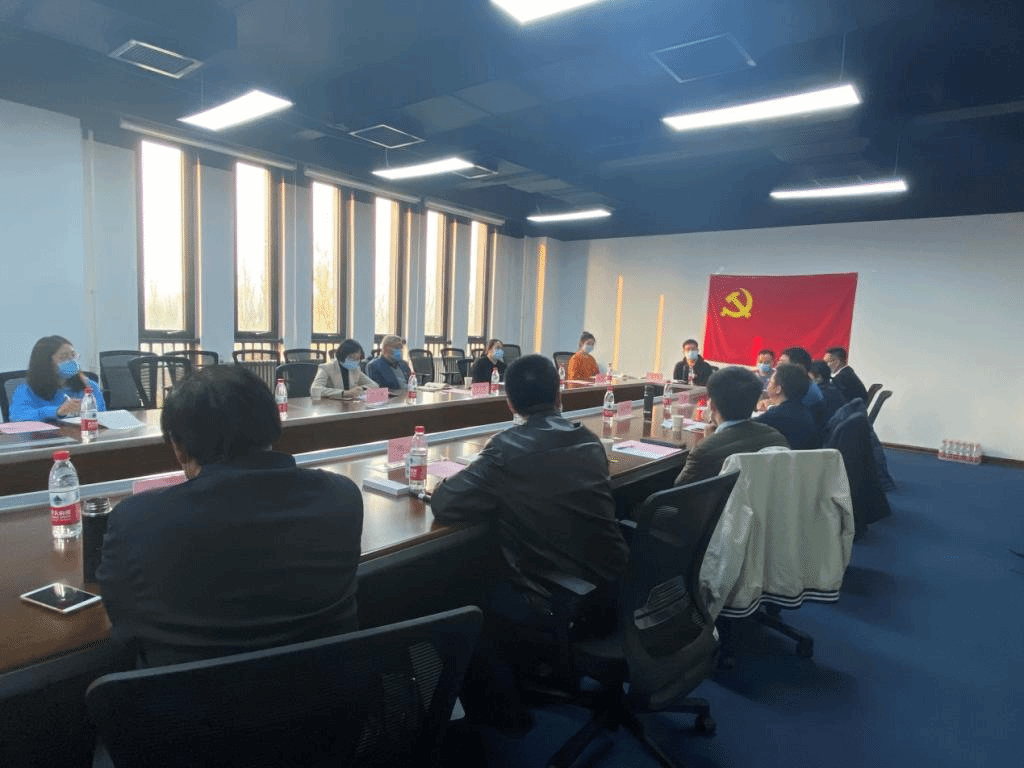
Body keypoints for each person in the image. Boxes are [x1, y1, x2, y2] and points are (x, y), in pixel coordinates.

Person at [97, 365, 363, 667]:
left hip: (188, 696)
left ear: (178, 447)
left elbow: (124, 624)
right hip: (329, 688)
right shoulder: (343, 497)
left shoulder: (136, 521)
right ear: (274, 424)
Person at [431, 354, 628, 728]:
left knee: (455, 587)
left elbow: (446, 502)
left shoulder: (506, 448)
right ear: (559, 397)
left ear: (509, 403)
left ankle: (505, 709)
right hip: (613, 586)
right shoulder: (589, 441)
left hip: (560, 600)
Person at [675, 367, 789, 485]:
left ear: (712, 405)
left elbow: (679, 487)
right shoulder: (777, 439)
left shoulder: (704, 451)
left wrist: (709, 440)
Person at [9, 335, 106, 421]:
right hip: (45, 435)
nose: (71, 361)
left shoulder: (89, 386)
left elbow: (102, 415)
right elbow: (17, 416)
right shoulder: (26, 390)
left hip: (83, 434)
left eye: (73, 355)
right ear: (45, 362)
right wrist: (57, 411)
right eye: (63, 357)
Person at [754, 363, 822, 450]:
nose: (767, 385)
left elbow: (745, 427)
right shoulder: (802, 409)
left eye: (770, 382)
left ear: (778, 389)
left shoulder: (776, 415)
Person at [310, 338, 376, 399]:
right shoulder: (326, 368)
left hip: (350, 404)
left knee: (378, 398)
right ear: (342, 356)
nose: (355, 361)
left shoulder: (355, 369)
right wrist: (343, 393)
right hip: (331, 405)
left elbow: (374, 385)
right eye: (351, 358)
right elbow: (315, 389)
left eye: (357, 359)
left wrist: (361, 388)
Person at [809, 360, 848, 433]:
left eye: (808, 378)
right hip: (836, 432)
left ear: (818, 377)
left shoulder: (819, 395)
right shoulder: (833, 389)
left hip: (824, 434)